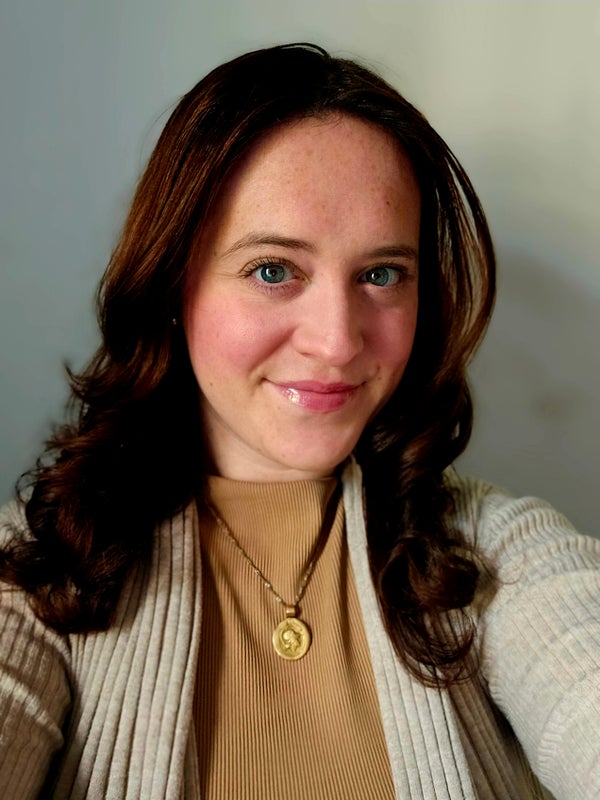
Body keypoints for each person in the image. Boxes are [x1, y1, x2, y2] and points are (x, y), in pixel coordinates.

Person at [0, 42, 598, 800]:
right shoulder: (34, 573)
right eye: (274, 271)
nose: (338, 341)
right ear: (174, 285)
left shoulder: (500, 558)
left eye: (381, 274)